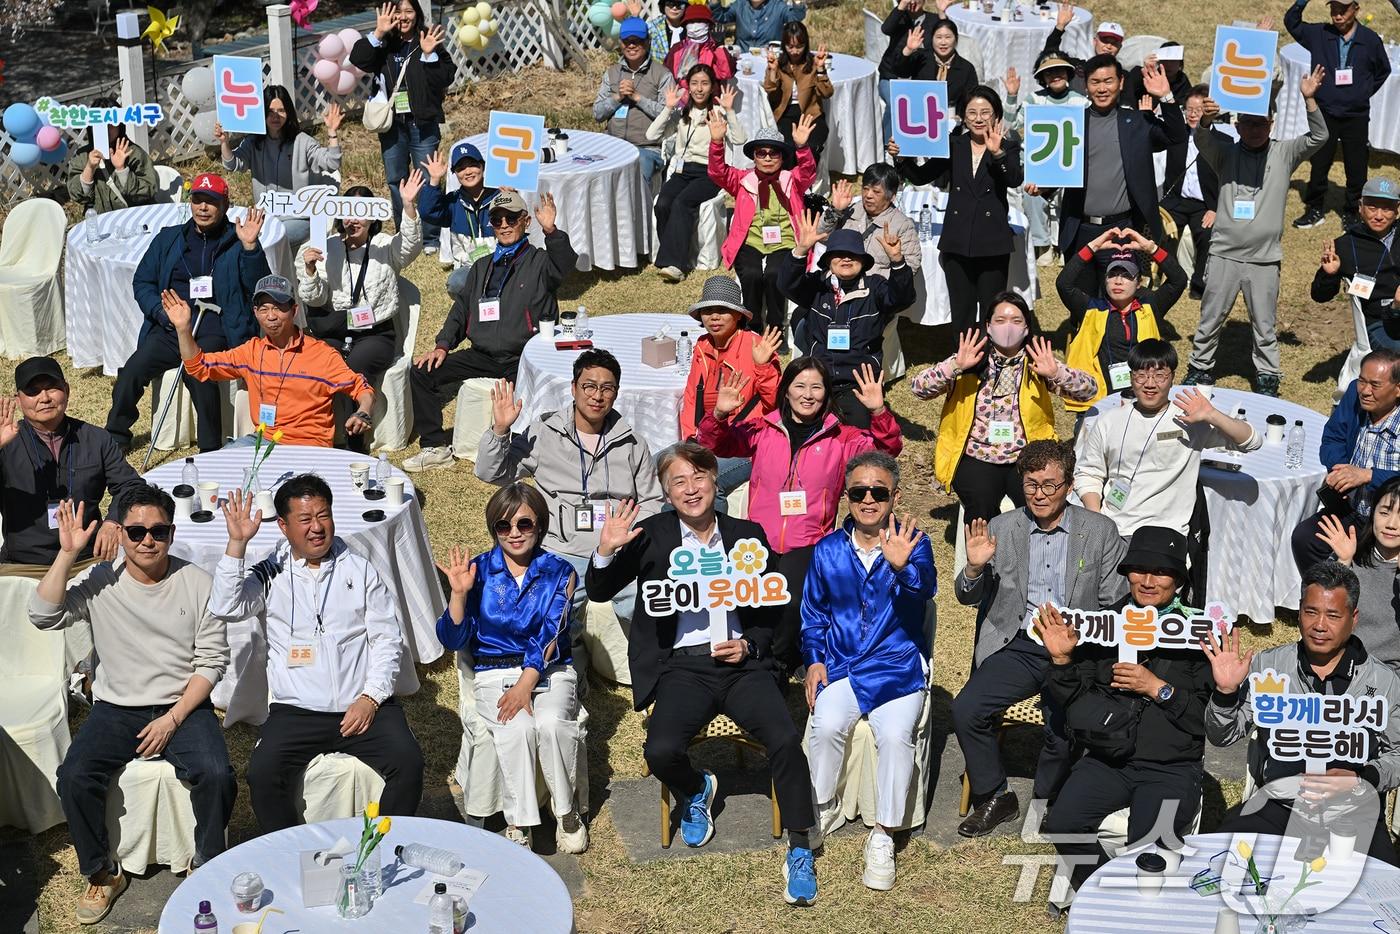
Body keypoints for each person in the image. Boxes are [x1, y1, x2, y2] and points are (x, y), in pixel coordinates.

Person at [585, 442, 819, 906]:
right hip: (682, 667)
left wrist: (751, 645)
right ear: (666, 493)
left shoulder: (746, 533)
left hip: (742, 666)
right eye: (679, 482)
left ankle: (799, 845)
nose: (691, 489)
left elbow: (773, 608)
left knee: (786, 740)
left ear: (716, 481)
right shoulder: (650, 535)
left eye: (698, 477)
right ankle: (697, 789)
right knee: (661, 750)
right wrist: (606, 551)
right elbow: (599, 589)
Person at [33, 486, 234, 924]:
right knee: (75, 776)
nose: (148, 540)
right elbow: (43, 615)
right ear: (120, 533)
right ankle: (102, 873)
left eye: (158, 531)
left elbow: (212, 661)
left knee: (217, 773)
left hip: (183, 705)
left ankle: (207, 864)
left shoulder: (199, 583)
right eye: (138, 530)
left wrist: (173, 718)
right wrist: (67, 555)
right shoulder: (102, 581)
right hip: (116, 707)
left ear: (172, 532)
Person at [211, 476, 423, 833]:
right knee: (262, 774)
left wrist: (370, 699)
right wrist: (237, 545)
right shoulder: (270, 570)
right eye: (305, 520)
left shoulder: (360, 568)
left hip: (363, 706)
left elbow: (388, 640)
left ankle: (381, 847)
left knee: (410, 763)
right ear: (283, 525)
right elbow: (226, 606)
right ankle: (291, 850)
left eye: (323, 516)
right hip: (296, 710)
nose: (317, 528)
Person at [952, 440, 1129, 836]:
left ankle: (1050, 799)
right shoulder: (1002, 527)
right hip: (1017, 641)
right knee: (967, 710)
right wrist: (975, 568)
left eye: (1050, 485)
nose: (1040, 495)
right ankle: (996, 795)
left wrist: (1075, 634)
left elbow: (1114, 601)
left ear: (1068, 485)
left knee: (1062, 725)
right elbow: (966, 597)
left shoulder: (1099, 531)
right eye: (1032, 485)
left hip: (1075, 645)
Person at [698, 356, 902, 672]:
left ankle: (777, 665)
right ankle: (752, 657)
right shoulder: (764, 428)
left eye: (816, 387)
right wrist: (721, 414)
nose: (808, 395)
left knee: (790, 601)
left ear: (826, 393)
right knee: (749, 599)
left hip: (808, 542)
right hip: (758, 538)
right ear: (787, 390)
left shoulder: (842, 437)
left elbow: (885, 451)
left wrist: (878, 411)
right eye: (800, 386)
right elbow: (714, 443)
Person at [1040, 526, 1213, 896]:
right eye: (1139, 570)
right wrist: (1062, 661)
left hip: (1171, 766)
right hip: (1108, 759)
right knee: (1062, 822)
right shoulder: (1104, 625)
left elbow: (1207, 723)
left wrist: (1158, 688)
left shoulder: (1201, 633)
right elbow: (1070, 699)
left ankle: (1140, 905)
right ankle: (1106, 895)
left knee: (1149, 848)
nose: (1148, 581)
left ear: (1179, 581)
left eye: (1161, 572)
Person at [1205, 561, 1400, 865]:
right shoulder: (1269, 667)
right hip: (1279, 804)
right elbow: (1222, 736)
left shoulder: (1383, 681)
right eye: (1311, 612)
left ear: (1353, 619)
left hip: (1353, 809)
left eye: (1333, 615)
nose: (1320, 625)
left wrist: (1363, 776)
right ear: (1299, 612)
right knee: (1222, 862)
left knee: (1384, 890)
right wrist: (1226, 693)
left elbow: (1397, 754)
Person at [802, 450, 934, 891]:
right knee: (825, 723)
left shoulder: (915, 541)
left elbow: (924, 593)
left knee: (896, 737)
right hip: (841, 665)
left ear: (894, 496)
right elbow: (813, 615)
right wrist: (814, 659)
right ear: (847, 496)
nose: (869, 499)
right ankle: (821, 805)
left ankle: (884, 834)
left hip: (896, 668)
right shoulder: (827, 550)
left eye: (879, 491)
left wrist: (901, 568)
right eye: (859, 491)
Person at [475, 349, 664, 646]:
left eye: (607, 388)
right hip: (562, 548)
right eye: (589, 386)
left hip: (617, 551)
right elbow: (491, 472)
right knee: (551, 616)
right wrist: (500, 431)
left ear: (616, 393)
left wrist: (627, 535)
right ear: (573, 388)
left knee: (647, 608)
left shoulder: (632, 443)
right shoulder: (544, 433)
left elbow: (652, 502)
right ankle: (572, 659)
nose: (597, 395)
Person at [436, 483, 587, 852]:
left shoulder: (561, 572)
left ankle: (566, 813)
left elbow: (553, 633)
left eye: (524, 524)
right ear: (493, 529)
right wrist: (458, 594)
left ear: (540, 525)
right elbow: (452, 640)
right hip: (493, 672)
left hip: (549, 671)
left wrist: (525, 684)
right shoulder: (478, 571)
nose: (514, 533)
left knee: (550, 724)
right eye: (503, 526)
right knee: (516, 728)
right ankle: (518, 821)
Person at [1182, 67, 1329, 396]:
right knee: (1210, 318)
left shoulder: (1284, 153)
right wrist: (1205, 119)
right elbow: (1201, 138)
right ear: (1236, 125)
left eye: (1261, 122)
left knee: (1264, 325)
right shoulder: (1225, 153)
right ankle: (1200, 367)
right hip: (1224, 253)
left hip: (1264, 259)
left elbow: (1320, 138)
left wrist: (1309, 99)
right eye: (1248, 123)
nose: (1254, 129)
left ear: (1272, 123)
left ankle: (1267, 376)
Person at [405, 191, 576, 471]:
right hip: (482, 354)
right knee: (422, 372)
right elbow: (461, 310)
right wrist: (443, 344)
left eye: (512, 218)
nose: (505, 224)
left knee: (522, 404)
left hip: (523, 357)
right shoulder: (482, 266)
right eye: (497, 220)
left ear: (526, 222)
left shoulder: (540, 262)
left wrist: (551, 231)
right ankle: (435, 446)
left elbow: (565, 264)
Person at [105, 174, 270, 454]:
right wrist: (161, 312)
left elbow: (259, 287)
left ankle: (210, 451)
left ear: (225, 205)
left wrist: (251, 248)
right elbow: (143, 281)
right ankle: (116, 435)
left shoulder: (238, 240)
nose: (203, 207)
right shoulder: (169, 239)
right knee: (131, 372)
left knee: (202, 380)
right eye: (198, 200)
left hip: (214, 329)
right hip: (170, 327)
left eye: (212, 202)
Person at [912, 295, 1097, 523]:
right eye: (1000, 320)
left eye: (1016, 321)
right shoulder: (970, 360)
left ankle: (1035, 552)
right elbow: (919, 388)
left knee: (1039, 501)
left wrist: (1056, 374)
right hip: (976, 454)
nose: (1008, 327)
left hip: (1027, 453)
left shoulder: (1037, 362)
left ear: (1027, 327)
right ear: (988, 326)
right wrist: (955, 366)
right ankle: (984, 556)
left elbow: (1089, 391)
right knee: (981, 501)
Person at [1075, 339, 1261, 544]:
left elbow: (1251, 441)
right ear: (1131, 378)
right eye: (1141, 375)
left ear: (1172, 378)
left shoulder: (1190, 420)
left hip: (1166, 533)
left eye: (1159, 375)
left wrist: (1212, 415)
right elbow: (1088, 473)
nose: (1150, 384)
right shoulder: (1109, 421)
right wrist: (1098, 520)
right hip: (1114, 529)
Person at [1036, 55, 1185, 297]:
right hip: (1080, 227)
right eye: (1095, 82)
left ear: (1121, 82)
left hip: (1122, 230)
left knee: (1119, 302)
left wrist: (1166, 97)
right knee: (1080, 302)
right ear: (1086, 86)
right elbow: (1056, 169)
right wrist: (1042, 186)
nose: (1102, 88)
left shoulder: (1137, 122)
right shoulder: (1071, 123)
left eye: (1108, 81)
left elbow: (1177, 137)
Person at [173, 275, 376, 448]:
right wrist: (183, 329)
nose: (271, 316)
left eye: (279, 308)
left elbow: (361, 387)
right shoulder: (251, 352)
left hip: (309, 447)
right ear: (255, 313)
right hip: (262, 441)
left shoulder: (322, 354)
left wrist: (363, 412)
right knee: (222, 469)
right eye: (264, 309)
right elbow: (199, 367)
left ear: (294, 310)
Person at [888, 85, 1022, 333]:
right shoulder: (953, 145)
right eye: (972, 112)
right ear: (962, 116)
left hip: (992, 241)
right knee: (962, 309)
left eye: (985, 112)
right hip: (957, 240)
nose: (979, 118)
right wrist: (901, 158)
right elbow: (920, 177)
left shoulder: (1008, 145)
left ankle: (992, 360)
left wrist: (998, 153)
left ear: (997, 116)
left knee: (992, 309)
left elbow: (1014, 178)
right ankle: (965, 362)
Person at [296, 173, 424, 431]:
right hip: (336, 329)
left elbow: (410, 246)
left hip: (375, 333)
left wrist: (409, 206)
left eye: (360, 212)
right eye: (348, 212)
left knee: (356, 365)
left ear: (373, 217)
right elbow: (315, 298)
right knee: (320, 362)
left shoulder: (384, 245)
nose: (353, 220)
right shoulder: (324, 247)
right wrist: (309, 271)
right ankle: (319, 431)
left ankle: (357, 431)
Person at [0, 357, 143, 572]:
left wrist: (113, 521)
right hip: (26, 563)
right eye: (33, 391)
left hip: (87, 557)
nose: (45, 398)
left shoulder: (96, 439)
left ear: (67, 390)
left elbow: (131, 486)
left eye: (52, 388)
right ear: (18, 400)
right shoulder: (7, 442)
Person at [781, 213, 916, 428]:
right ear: (828, 261)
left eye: (853, 255)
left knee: (857, 438)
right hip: (818, 379)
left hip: (858, 382)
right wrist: (800, 251)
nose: (846, 259)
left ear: (862, 261)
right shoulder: (818, 285)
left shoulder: (875, 287)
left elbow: (902, 298)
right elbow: (787, 285)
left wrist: (898, 261)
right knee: (802, 430)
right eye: (839, 254)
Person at [349, 0, 456, 252]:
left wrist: (429, 54)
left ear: (417, 14)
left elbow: (445, 77)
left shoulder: (427, 38)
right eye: (398, 11)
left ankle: (430, 237)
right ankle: (405, 233)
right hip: (392, 125)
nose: (403, 17)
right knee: (397, 180)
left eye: (409, 11)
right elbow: (358, 59)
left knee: (429, 178)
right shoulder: (384, 43)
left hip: (423, 123)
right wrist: (378, 32)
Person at [709, 112, 819, 348]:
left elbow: (808, 171)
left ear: (782, 157)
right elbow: (717, 172)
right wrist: (717, 142)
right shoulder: (742, 180)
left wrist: (802, 146)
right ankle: (753, 325)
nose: (767, 158)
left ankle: (776, 329)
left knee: (774, 275)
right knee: (751, 275)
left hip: (786, 242)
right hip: (750, 241)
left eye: (774, 153)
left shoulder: (792, 179)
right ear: (754, 157)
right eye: (762, 153)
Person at [1291, 350, 1400, 571]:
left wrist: (1368, 475)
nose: (1365, 391)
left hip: (1392, 520)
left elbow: (1366, 475)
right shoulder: (1354, 394)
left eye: (1375, 385)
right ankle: (1324, 598)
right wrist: (1340, 470)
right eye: (1362, 381)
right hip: (1352, 509)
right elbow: (1333, 437)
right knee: (1305, 539)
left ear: (1398, 389)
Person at [1287, 0, 1392, 229]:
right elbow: (1291, 23)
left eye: (1343, 9)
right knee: (1320, 162)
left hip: (1356, 114)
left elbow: (1384, 70)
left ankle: (1353, 211)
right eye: (1333, 9)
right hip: (1325, 112)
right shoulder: (1319, 34)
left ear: (1356, 9)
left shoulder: (1370, 40)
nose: (1337, 14)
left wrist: (1363, 91)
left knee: (1356, 166)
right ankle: (1315, 208)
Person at [678, 277, 782, 508]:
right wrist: (690, 440)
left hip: (746, 443)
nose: (714, 317)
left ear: (738, 315)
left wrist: (763, 366)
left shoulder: (757, 346)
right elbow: (691, 399)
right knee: (659, 466)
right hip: (709, 436)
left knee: (705, 483)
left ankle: (719, 539)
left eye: (723, 310)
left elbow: (776, 404)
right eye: (708, 310)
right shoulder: (702, 346)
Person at [1059, 229, 1187, 413]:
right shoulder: (1090, 309)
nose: (1118, 281)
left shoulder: (1150, 306)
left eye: (1127, 276)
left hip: (1145, 395)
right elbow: (1064, 283)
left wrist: (1150, 247)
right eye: (1112, 275)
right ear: (1105, 280)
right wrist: (1094, 246)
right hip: (1100, 399)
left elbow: (1179, 279)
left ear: (1139, 282)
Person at [648, 65, 745, 283]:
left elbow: (740, 140)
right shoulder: (682, 114)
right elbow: (651, 134)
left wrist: (729, 111)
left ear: (712, 88)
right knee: (662, 203)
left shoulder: (717, 113)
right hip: (682, 171)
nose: (699, 89)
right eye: (694, 83)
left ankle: (677, 265)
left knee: (683, 202)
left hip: (709, 172)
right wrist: (667, 108)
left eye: (704, 83)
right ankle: (668, 256)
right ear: (688, 87)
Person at [216, 87, 343, 247]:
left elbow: (331, 163)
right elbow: (233, 164)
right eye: (270, 111)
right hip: (264, 216)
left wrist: (332, 133)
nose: (275, 116)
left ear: (288, 112)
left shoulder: (302, 141)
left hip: (298, 219)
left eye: (281, 110)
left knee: (269, 238)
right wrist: (224, 142)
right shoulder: (253, 142)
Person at [1004, 54, 1088, 267]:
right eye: (1049, 72)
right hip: (1038, 165)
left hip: (1070, 165)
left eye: (1059, 70)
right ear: (1043, 78)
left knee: (1074, 195)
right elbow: (1009, 128)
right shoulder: (1034, 99)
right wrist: (1012, 96)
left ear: (1068, 74)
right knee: (1031, 193)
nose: (1055, 75)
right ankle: (1042, 245)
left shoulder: (1082, 101)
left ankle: (1066, 245)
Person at [1313, 475, 1400, 667]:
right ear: (1372, 513)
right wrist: (1342, 563)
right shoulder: (1352, 553)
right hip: (1339, 663)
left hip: (1390, 673)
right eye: (1384, 512)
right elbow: (1317, 609)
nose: (1392, 524)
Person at [1311, 176, 1400, 351]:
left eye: (1387, 209)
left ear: (1397, 210)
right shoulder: (1344, 246)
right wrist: (1329, 274)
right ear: (1360, 207)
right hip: (1379, 322)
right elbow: (1319, 296)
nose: (1379, 216)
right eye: (1372, 208)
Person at [1160, 85, 1226, 300]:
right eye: (1189, 109)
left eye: (1199, 109)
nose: (1193, 114)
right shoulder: (1176, 137)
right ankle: (1170, 280)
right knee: (1161, 232)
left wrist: (1216, 209)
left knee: (1206, 235)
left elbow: (1226, 181)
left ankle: (1198, 287)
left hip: (1205, 204)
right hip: (1176, 200)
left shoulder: (1223, 141)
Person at [596, 17, 675, 182]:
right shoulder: (611, 73)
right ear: (621, 43)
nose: (631, 45)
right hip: (613, 143)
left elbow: (667, 116)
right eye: (627, 41)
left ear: (647, 42)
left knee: (637, 175)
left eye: (637, 41)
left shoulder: (662, 75)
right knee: (593, 175)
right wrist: (617, 97)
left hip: (647, 148)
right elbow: (597, 113)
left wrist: (637, 98)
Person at [421, 143, 500, 295]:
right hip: (469, 266)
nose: (468, 172)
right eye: (461, 168)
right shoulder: (453, 201)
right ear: (455, 173)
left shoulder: (498, 196)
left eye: (472, 165)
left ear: (482, 166)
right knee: (456, 283)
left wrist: (511, 197)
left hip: (500, 264)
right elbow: (427, 212)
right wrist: (434, 180)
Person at [65, 95, 159, 214]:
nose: (106, 128)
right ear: (91, 127)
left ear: (120, 125)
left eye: (111, 123)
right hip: (102, 221)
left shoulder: (133, 152)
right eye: (100, 123)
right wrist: (89, 168)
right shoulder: (82, 156)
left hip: (135, 217)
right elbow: (77, 196)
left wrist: (122, 169)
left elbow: (150, 189)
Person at [821, 168, 921, 279]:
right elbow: (822, 236)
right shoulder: (849, 211)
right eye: (865, 189)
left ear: (892, 196)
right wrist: (835, 210)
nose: (868, 195)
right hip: (841, 285)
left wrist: (875, 282)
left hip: (877, 291)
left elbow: (911, 266)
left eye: (876, 191)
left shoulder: (903, 225)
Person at [764, 24, 833, 156]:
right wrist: (773, 70)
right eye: (790, 47)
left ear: (806, 45)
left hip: (810, 114)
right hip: (785, 113)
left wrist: (820, 69)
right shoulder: (778, 63)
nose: (795, 51)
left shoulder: (813, 63)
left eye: (799, 47)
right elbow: (770, 90)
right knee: (788, 147)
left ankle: (809, 175)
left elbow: (827, 93)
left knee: (812, 146)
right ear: (784, 45)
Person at [889, 16, 978, 112]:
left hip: (952, 121)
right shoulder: (921, 58)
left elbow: (971, 100)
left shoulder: (966, 68)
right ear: (932, 39)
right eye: (938, 37)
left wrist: (958, 118)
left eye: (948, 37)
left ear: (956, 39)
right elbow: (899, 71)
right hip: (920, 115)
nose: (943, 42)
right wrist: (908, 50)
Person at [1035, 4, 1125, 90]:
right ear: (1095, 41)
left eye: (1114, 43)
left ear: (1120, 47)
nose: (1108, 46)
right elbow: (1049, 56)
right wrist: (1060, 26)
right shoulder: (1078, 67)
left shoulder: (1123, 75)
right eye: (1104, 41)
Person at [663, 4, 734, 84]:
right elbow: (667, 77)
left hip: (709, 94)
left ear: (709, 25)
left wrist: (719, 45)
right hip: (682, 94)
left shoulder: (714, 49)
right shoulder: (677, 49)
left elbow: (726, 74)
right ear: (685, 25)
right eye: (691, 22)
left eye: (700, 21)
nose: (695, 26)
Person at [714, 0, 807, 51]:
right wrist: (714, 2)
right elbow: (721, 17)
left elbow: (795, 17)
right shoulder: (739, 5)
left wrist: (797, 2)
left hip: (770, 60)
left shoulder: (778, 6)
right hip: (742, 60)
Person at [1124, 40, 1191, 105]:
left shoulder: (1182, 81)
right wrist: (1145, 70)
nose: (1168, 64)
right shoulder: (1147, 75)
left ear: (1180, 63)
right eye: (1165, 60)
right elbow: (1129, 91)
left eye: (1173, 61)